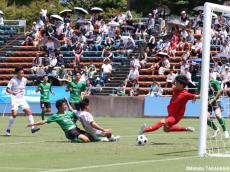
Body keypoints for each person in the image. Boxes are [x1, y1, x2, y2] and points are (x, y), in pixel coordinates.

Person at [5, 67, 40, 136]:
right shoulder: (13, 80)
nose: (22, 74)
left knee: (29, 112)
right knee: (14, 114)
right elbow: (7, 89)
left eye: (23, 72)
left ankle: (33, 128)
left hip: (22, 99)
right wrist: (12, 92)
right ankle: (8, 129)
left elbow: (26, 85)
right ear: (17, 73)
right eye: (21, 73)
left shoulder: (25, 80)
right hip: (14, 99)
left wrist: (36, 85)